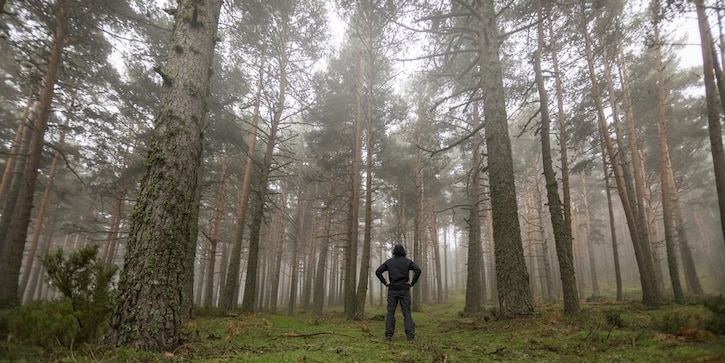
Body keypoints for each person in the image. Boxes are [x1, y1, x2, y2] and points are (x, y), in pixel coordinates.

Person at [375, 244, 422, 342]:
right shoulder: (407, 262)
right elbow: (418, 270)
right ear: (403, 251)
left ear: (394, 252)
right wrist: (412, 283)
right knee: (407, 313)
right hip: (404, 289)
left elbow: (378, 272)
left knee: (390, 313)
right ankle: (410, 337)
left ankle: (388, 336)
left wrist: (385, 283)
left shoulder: (389, 262)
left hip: (392, 290)